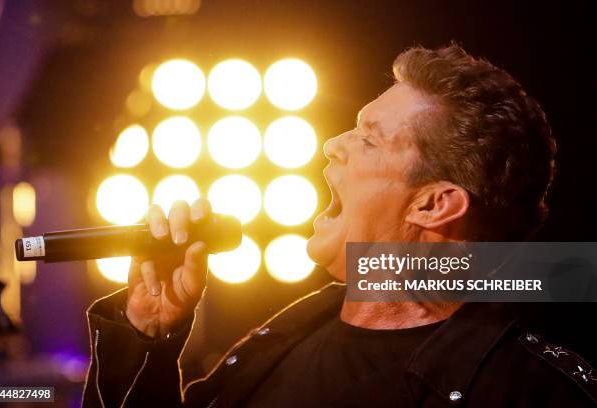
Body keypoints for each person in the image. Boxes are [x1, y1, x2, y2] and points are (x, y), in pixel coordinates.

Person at [82, 45, 597, 407]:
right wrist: (147, 337)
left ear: (435, 205)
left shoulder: (529, 392)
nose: (333, 145)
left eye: (369, 140)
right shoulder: (279, 340)